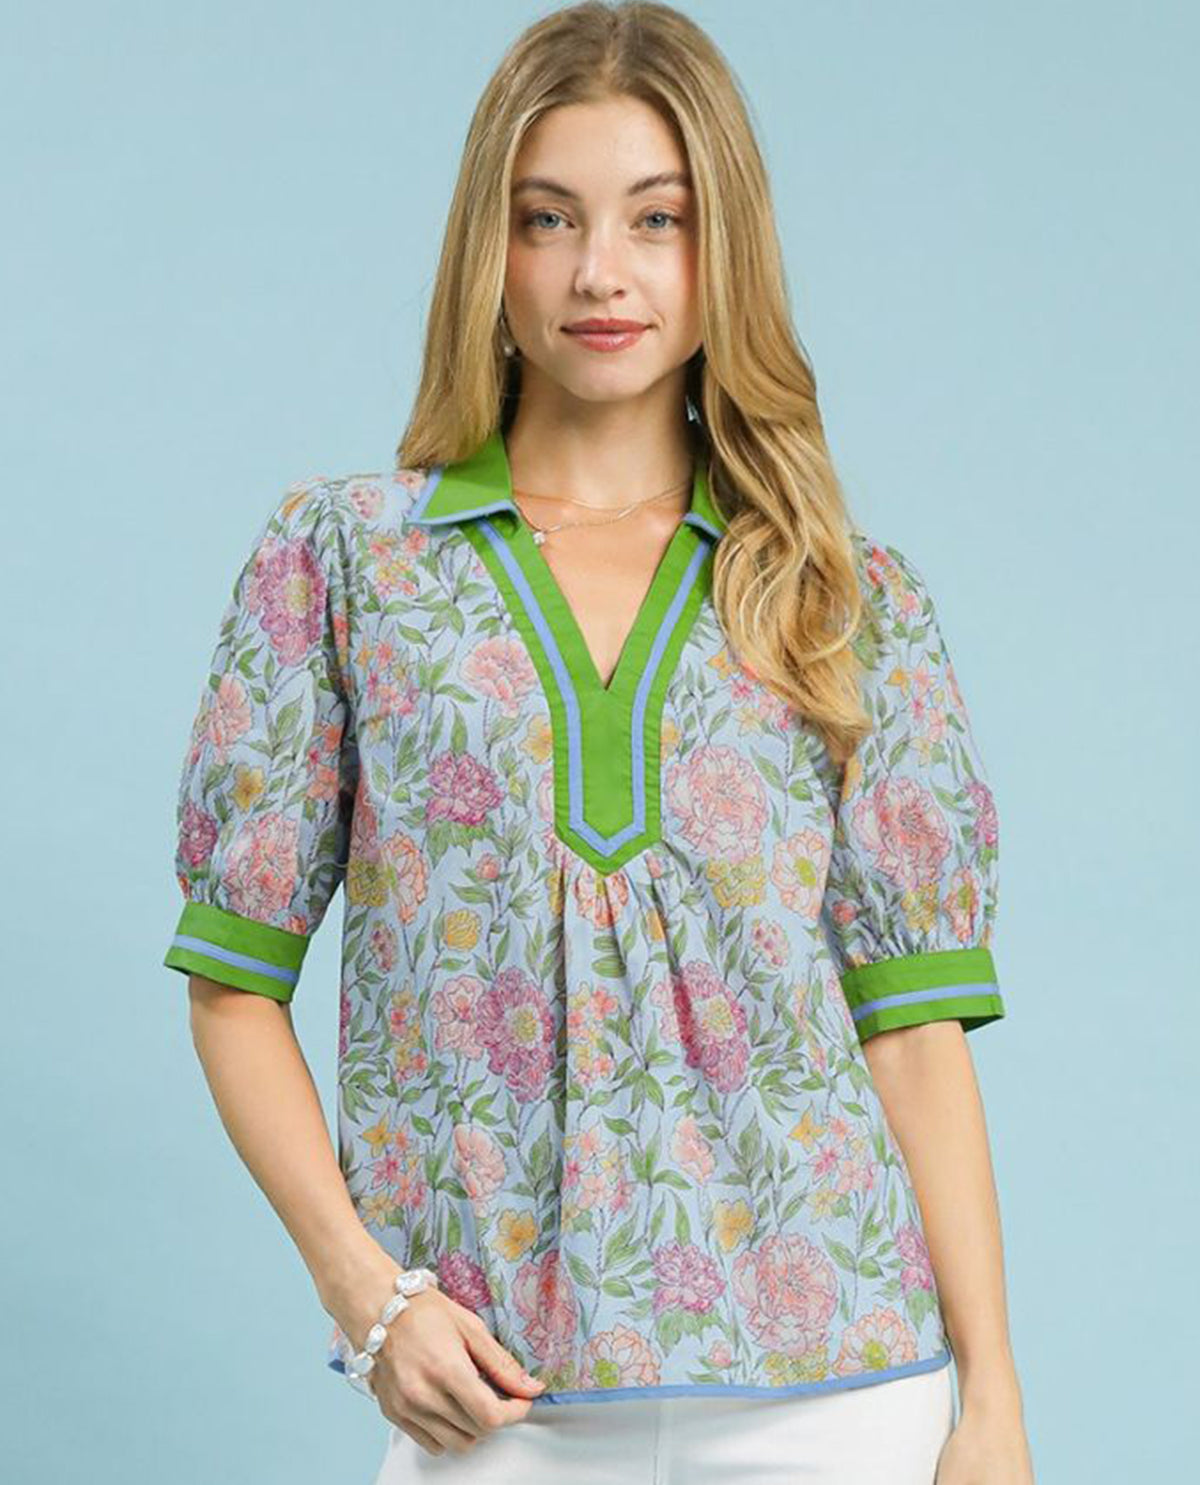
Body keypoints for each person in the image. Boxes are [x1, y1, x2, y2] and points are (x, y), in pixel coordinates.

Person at [162, 3, 1034, 1481]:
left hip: (845, 1391)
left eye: (657, 218)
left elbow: (912, 1032)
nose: (599, 272)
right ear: (489, 250)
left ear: (722, 248)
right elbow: (232, 986)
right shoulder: (345, 564)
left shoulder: (841, 597)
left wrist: (993, 1402)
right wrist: (370, 1298)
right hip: (496, 1401)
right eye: (548, 217)